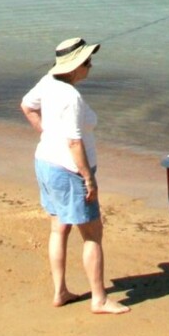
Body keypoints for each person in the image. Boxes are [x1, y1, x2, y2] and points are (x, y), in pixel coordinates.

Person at [20, 37, 130, 314]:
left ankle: (60, 291)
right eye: (87, 62)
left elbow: (27, 106)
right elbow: (73, 142)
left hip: (46, 163)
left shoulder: (47, 82)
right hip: (69, 171)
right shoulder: (71, 98)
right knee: (92, 234)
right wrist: (88, 178)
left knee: (59, 227)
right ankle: (99, 299)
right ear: (74, 67)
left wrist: (45, 133)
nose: (90, 66)